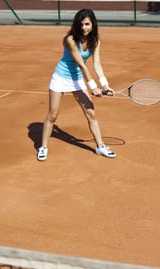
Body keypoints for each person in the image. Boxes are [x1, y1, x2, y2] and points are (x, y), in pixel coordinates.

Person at [37, 8, 116, 161]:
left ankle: (100, 146)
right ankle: (43, 147)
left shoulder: (95, 40)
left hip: (77, 79)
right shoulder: (70, 40)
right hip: (61, 77)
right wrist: (93, 87)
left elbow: (97, 64)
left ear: (93, 24)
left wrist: (105, 84)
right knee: (52, 115)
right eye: (81, 25)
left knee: (91, 113)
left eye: (87, 24)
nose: (84, 28)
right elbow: (81, 64)